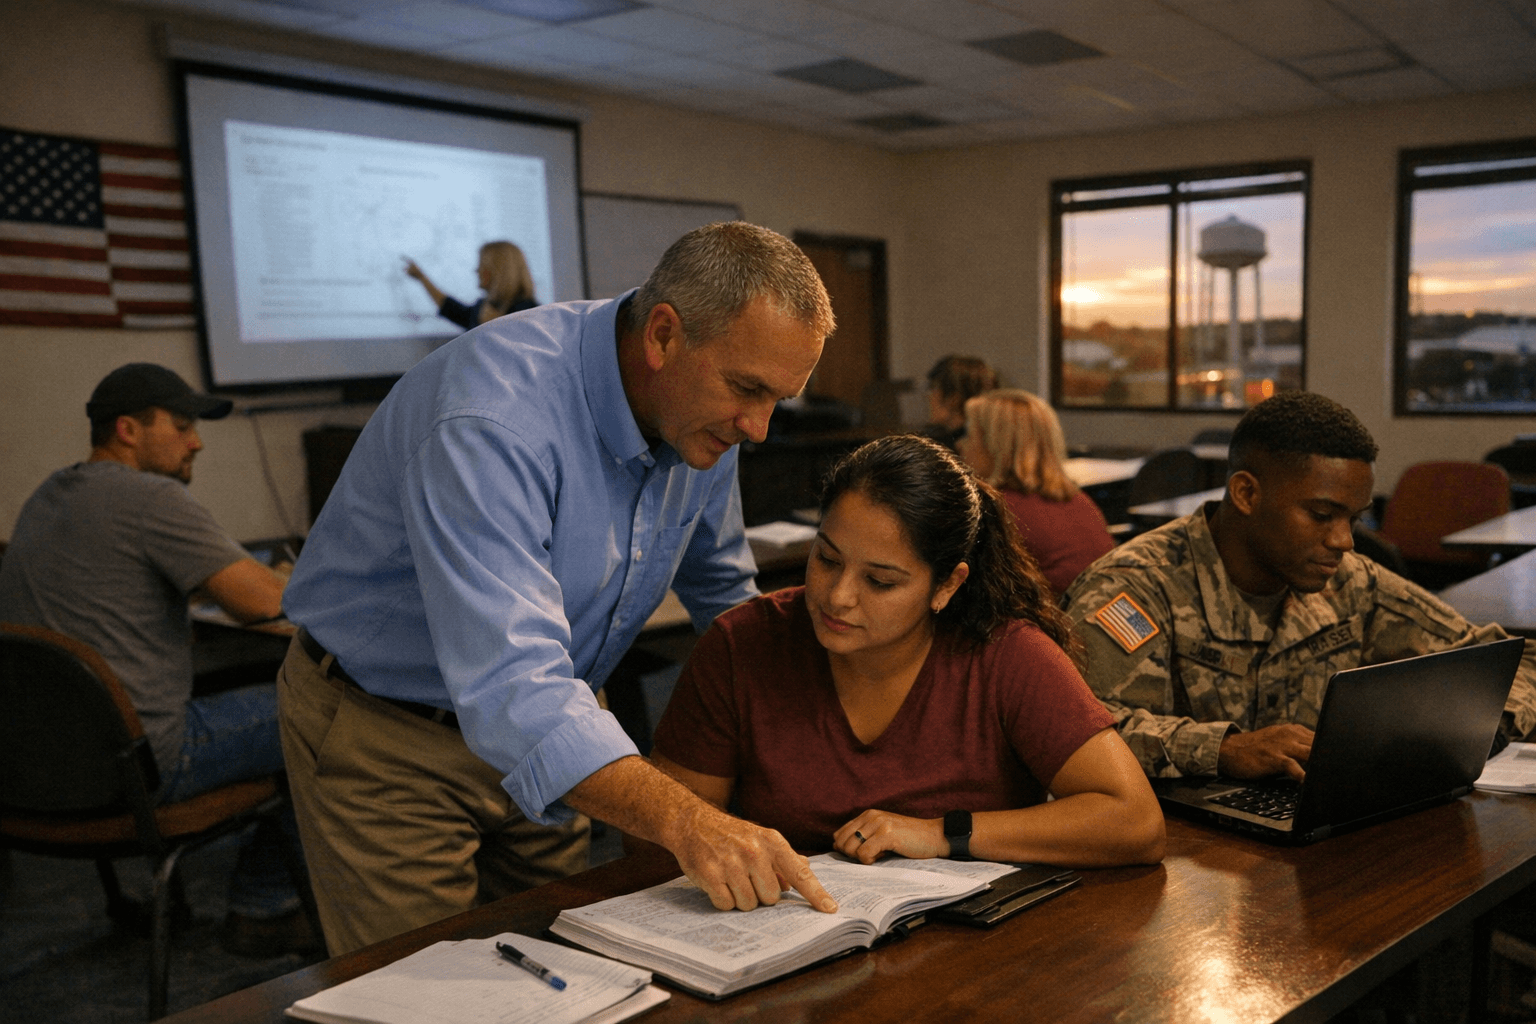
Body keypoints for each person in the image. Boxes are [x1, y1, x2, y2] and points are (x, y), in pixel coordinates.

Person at [279, 222, 842, 956]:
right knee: (421, 992)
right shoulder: (496, 416)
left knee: (557, 965)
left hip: (562, 711)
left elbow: (722, 589)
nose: (759, 428)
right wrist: (690, 819)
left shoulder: (705, 416)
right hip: (390, 733)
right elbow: (514, 686)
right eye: (747, 390)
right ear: (664, 335)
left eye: (779, 401)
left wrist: (825, 719)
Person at [649, 435, 1165, 867]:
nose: (838, 596)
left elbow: (1135, 821)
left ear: (946, 586)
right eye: (826, 559)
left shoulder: (1006, 654)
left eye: (879, 581)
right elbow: (654, 843)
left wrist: (943, 834)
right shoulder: (743, 645)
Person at [1063, 391, 1536, 782]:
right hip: (1176, 852)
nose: (1343, 540)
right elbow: (1075, 732)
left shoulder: (1351, 581)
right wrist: (1224, 749)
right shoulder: (1138, 588)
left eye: (1354, 518)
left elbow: (1514, 662)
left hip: (1303, 832)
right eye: (1321, 515)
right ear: (1246, 494)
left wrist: (1463, 730)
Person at [0, 363, 311, 955]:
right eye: (182, 425)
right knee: (324, 711)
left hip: (37, 775)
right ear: (127, 429)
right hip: (144, 765)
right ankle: (264, 908)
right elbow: (265, 600)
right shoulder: (150, 498)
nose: (196, 441)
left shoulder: (47, 495)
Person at [957, 389, 1113, 596]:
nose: (960, 444)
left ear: (995, 445)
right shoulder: (1080, 501)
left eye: (969, 433)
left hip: (1050, 623)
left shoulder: (999, 511)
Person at [403, 240, 537, 330]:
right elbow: (452, 310)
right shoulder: (484, 307)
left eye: (482, 265)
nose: (476, 270)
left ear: (497, 271)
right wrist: (421, 277)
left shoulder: (529, 314)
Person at [924, 354, 998, 449]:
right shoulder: (993, 439)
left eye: (932, 387)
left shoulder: (944, 450)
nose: (928, 396)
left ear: (954, 398)